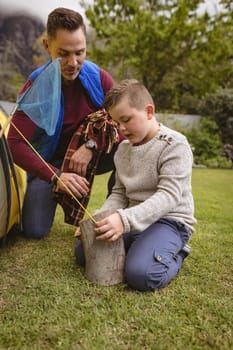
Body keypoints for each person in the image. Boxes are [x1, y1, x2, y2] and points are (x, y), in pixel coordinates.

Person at [75, 79, 197, 292]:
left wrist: (124, 220)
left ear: (149, 111)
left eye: (126, 119)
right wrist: (100, 219)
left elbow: (168, 196)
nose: (121, 128)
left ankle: (177, 252)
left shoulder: (174, 145)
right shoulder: (123, 150)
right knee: (82, 253)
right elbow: (119, 193)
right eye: (116, 123)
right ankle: (143, 245)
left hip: (169, 221)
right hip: (135, 219)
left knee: (141, 275)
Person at [7, 8, 117, 239]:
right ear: (47, 46)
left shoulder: (98, 77)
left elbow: (125, 124)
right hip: (53, 162)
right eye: (63, 53)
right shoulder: (36, 87)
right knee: (34, 230)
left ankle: (116, 215)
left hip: (92, 154)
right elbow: (14, 144)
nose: (73, 62)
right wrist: (56, 176)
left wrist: (91, 145)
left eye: (80, 52)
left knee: (128, 150)